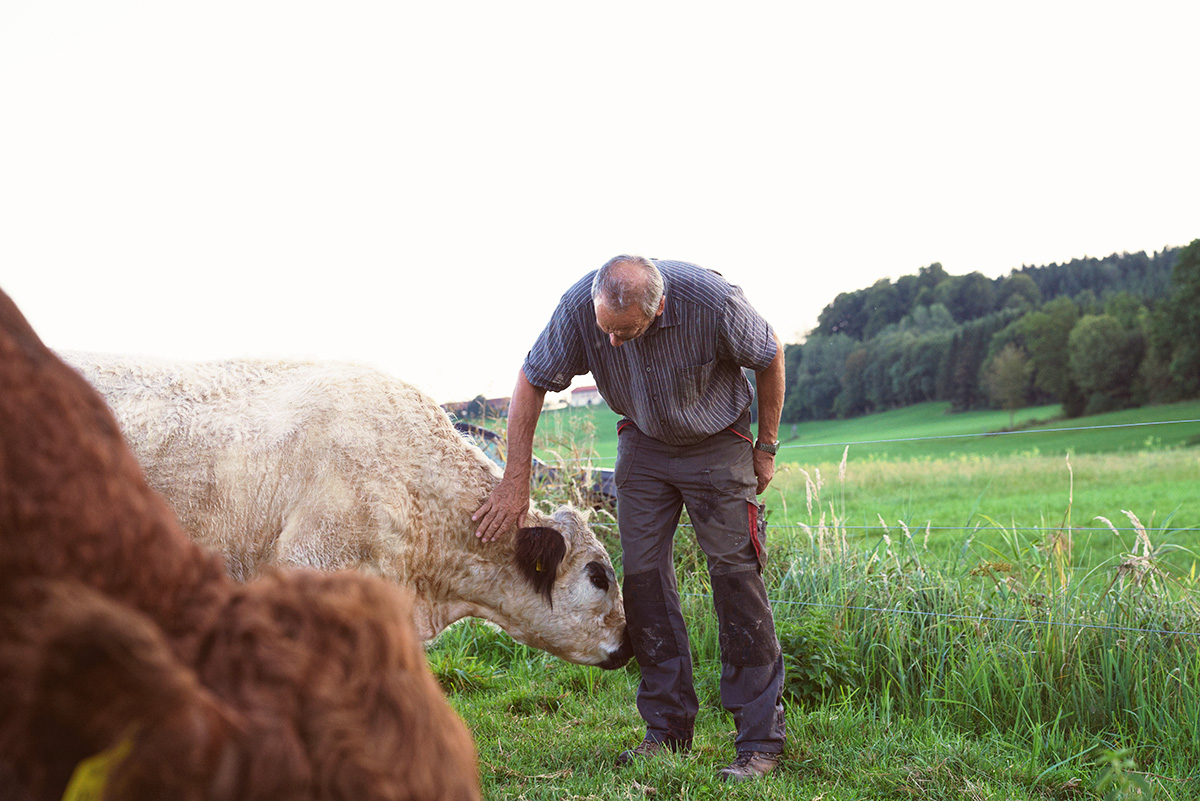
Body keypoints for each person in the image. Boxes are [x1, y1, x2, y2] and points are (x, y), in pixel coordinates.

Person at [473, 255, 786, 782]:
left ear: (659, 308)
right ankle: (666, 732)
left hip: (717, 443)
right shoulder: (578, 308)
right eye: (606, 333)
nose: (613, 344)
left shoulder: (714, 302)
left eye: (628, 332)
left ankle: (758, 742)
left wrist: (767, 446)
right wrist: (515, 482)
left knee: (736, 580)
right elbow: (531, 380)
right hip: (642, 445)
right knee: (643, 583)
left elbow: (770, 356)